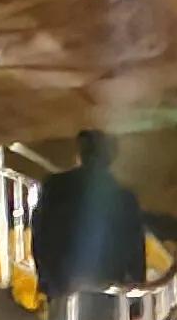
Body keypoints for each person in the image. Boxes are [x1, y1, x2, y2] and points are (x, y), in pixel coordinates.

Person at [29, 128, 151, 308]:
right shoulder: (124, 197)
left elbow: (40, 235)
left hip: (63, 286)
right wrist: (135, 303)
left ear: (80, 153)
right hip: (106, 290)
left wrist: (47, 282)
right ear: (111, 158)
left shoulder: (55, 186)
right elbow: (135, 251)